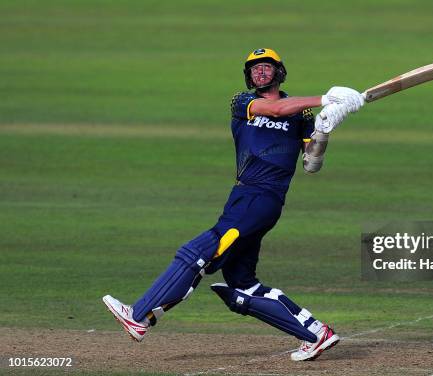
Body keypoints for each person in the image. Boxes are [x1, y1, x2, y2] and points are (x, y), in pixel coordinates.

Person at [102, 48, 364, 361]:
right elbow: (277, 110)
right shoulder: (241, 103)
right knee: (242, 285)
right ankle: (316, 334)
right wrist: (326, 99)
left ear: (278, 72)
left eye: (266, 67)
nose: (260, 73)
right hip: (243, 196)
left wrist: (325, 126)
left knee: (199, 250)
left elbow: (311, 163)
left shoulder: (301, 114)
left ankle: (140, 315)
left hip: (263, 198)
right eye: (255, 69)